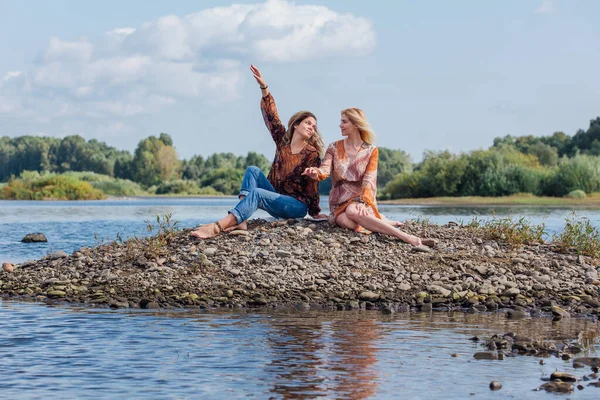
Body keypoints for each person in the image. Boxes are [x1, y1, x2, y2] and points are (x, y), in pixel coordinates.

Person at [191, 65, 328, 239]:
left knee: (256, 193)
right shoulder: (282, 141)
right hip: (276, 196)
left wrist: (315, 212)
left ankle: (217, 227)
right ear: (296, 124)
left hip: (296, 206)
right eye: (308, 123)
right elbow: (272, 117)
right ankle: (241, 220)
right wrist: (264, 88)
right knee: (253, 170)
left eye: (314, 126)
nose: (311, 127)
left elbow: (312, 186)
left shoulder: (311, 153)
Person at [302, 108, 435, 247]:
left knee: (352, 211)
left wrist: (363, 202)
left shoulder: (371, 150)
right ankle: (380, 220)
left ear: (356, 124)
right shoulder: (333, 147)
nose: (340, 125)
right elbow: (324, 169)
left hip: (361, 199)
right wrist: (315, 172)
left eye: (344, 122)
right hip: (339, 200)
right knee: (343, 221)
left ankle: (404, 236)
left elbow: (369, 180)